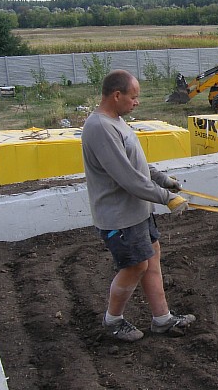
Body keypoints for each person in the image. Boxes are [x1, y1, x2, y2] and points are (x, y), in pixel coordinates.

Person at [82, 69, 196, 342]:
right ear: (117, 95)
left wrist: (162, 179)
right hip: (120, 217)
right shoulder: (99, 128)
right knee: (134, 267)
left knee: (151, 258)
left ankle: (162, 319)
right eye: (133, 97)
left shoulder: (117, 121)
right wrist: (168, 199)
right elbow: (128, 179)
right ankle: (113, 322)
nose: (137, 102)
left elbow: (137, 165)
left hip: (138, 212)